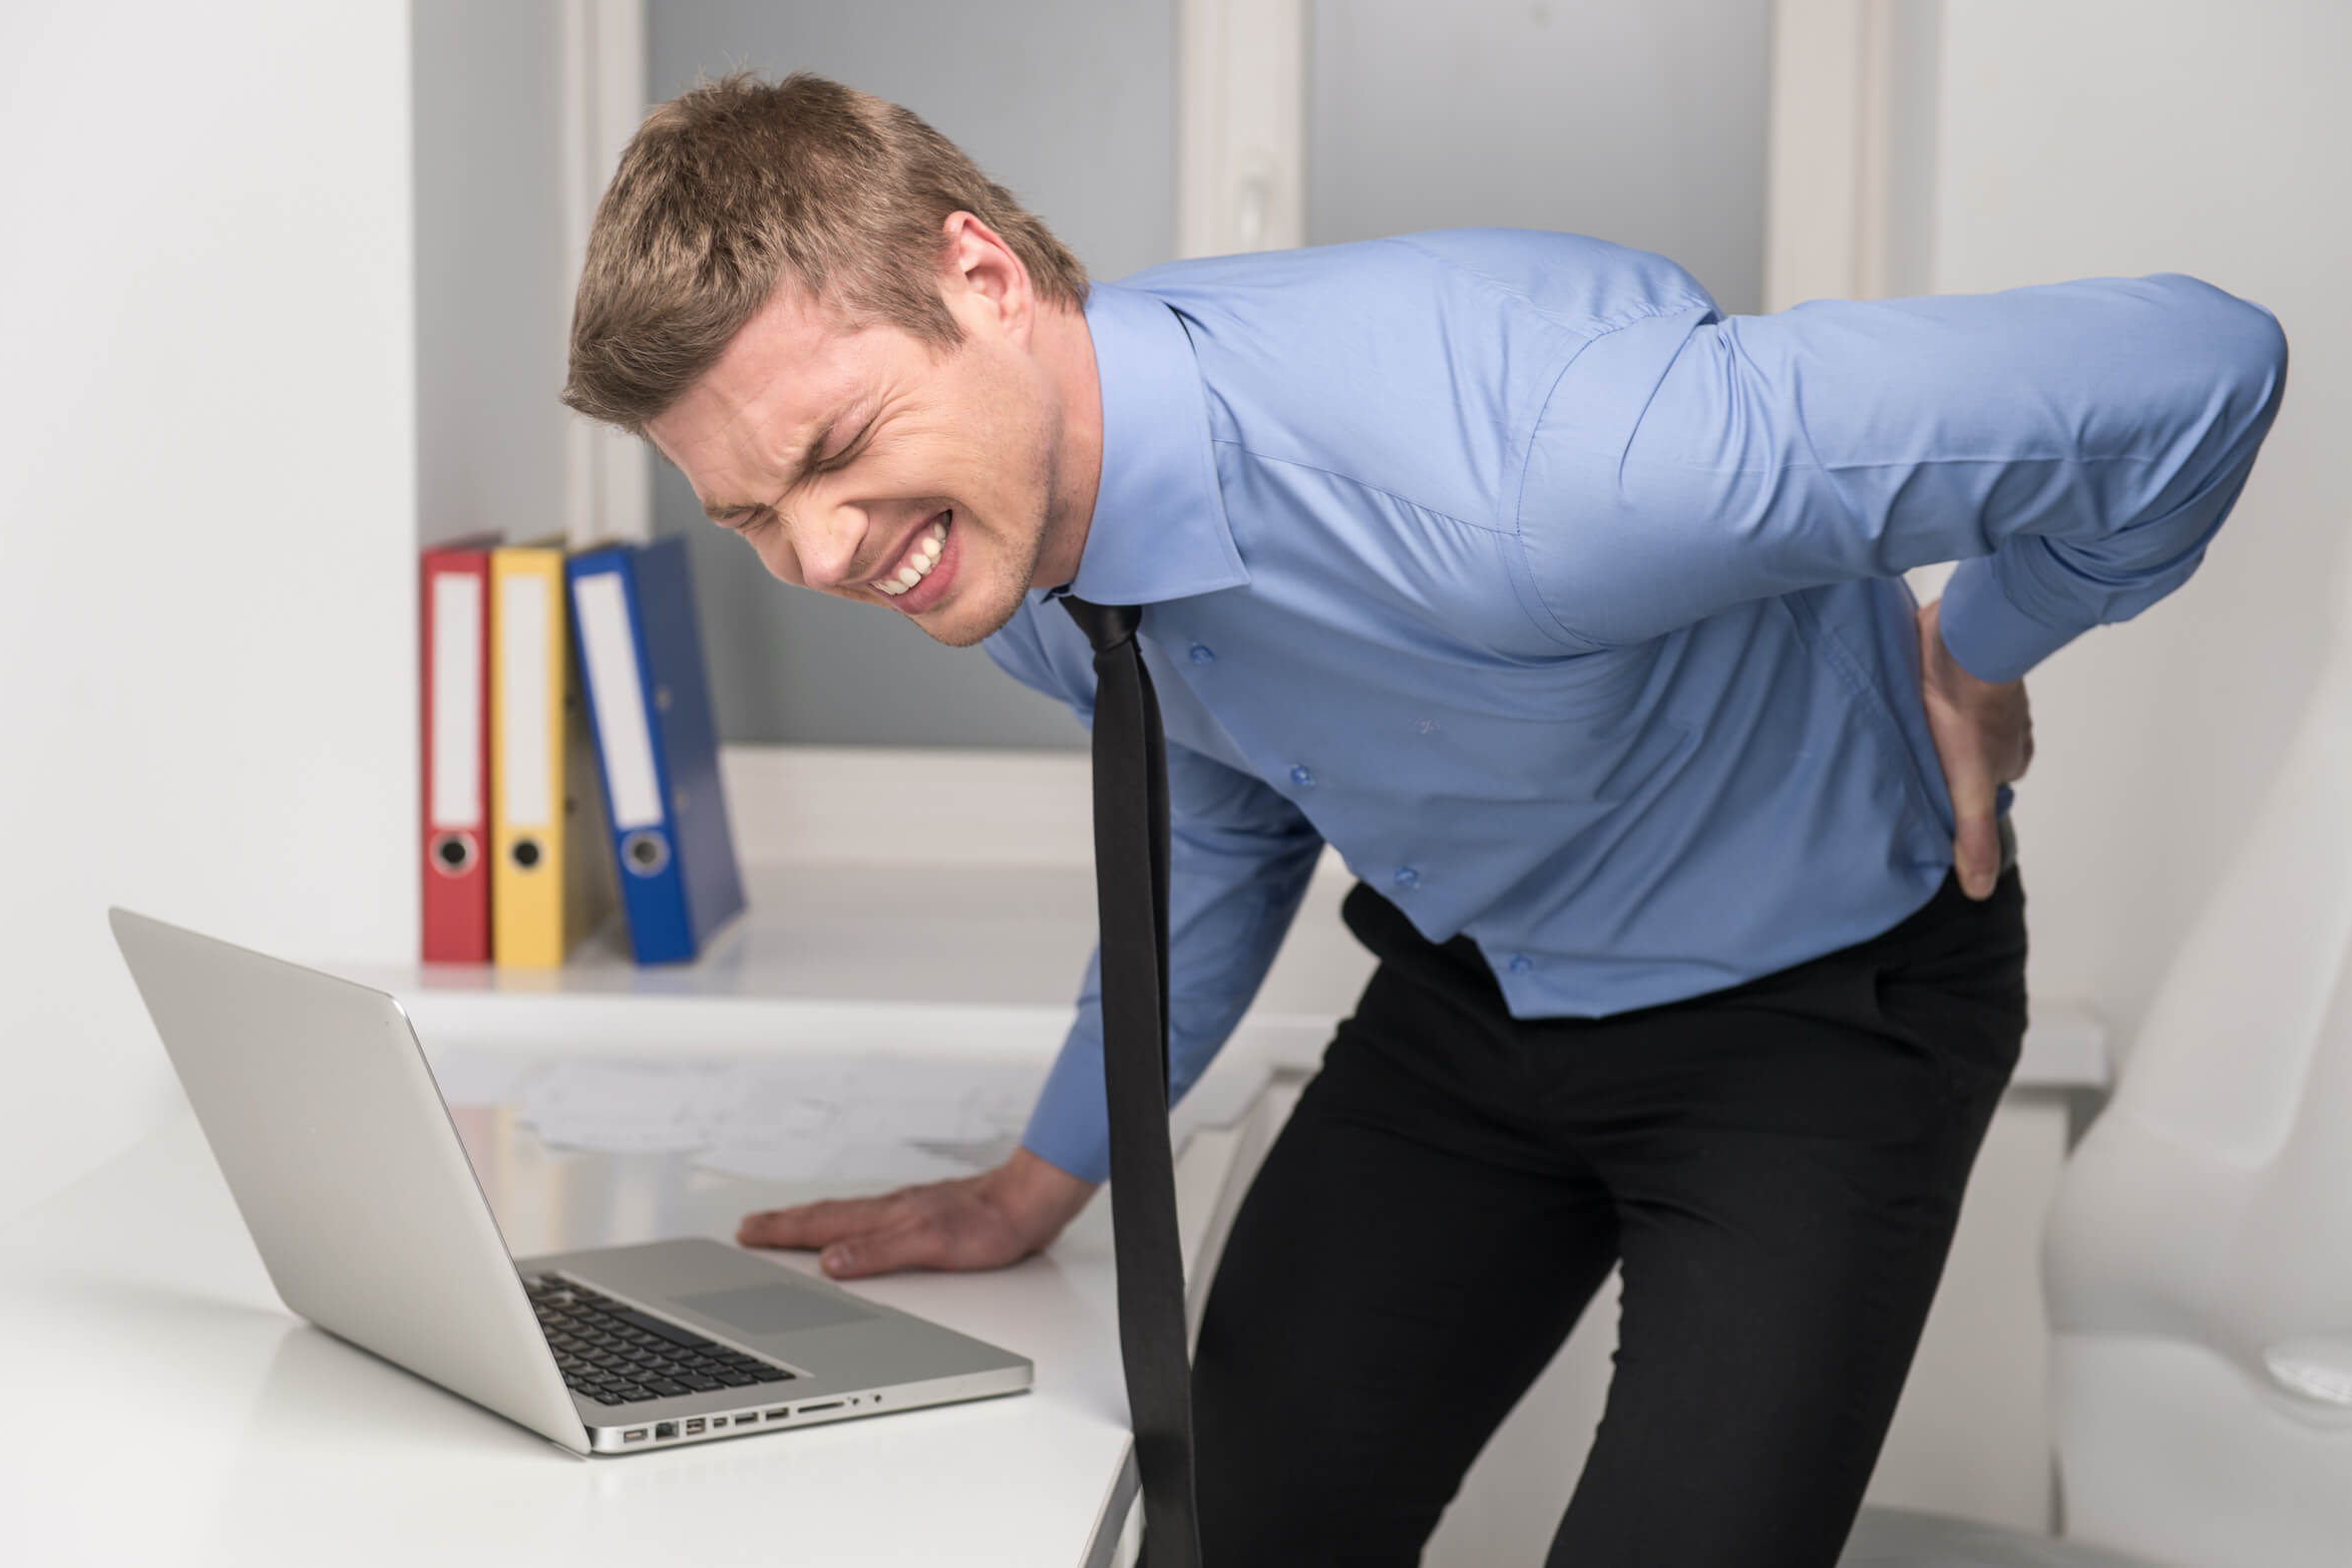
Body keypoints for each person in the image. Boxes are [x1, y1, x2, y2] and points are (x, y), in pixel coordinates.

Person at [561, 72, 2286, 1568]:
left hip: (1818, 1023)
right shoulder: (1000, 549)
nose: (822, 555)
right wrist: (1041, 1176)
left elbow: (2198, 369)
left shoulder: (1551, 472)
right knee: (1223, 1534)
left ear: (983, 276)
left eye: (837, 450)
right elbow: (1218, 815)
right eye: (748, 518)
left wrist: (1973, 652)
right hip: (1470, 1012)